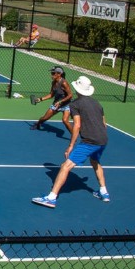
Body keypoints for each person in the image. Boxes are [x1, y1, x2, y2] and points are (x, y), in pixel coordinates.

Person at [32, 76, 110, 208]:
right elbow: (104, 125)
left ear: (77, 89)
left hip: (89, 141)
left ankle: (51, 198)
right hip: (103, 139)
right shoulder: (97, 103)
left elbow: (77, 125)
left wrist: (71, 146)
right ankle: (104, 192)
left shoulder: (75, 105)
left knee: (65, 166)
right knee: (95, 162)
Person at [30, 66, 73, 134]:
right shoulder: (53, 83)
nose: (51, 75)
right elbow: (51, 94)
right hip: (56, 104)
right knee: (44, 118)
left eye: (53, 73)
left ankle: (74, 135)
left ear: (59, 74)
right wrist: (40, 99)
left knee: (65, 120)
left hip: (66, 104)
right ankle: (37, 124)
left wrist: (60, 101)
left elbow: (70, 95)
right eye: (51, 73)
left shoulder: (64, 83)